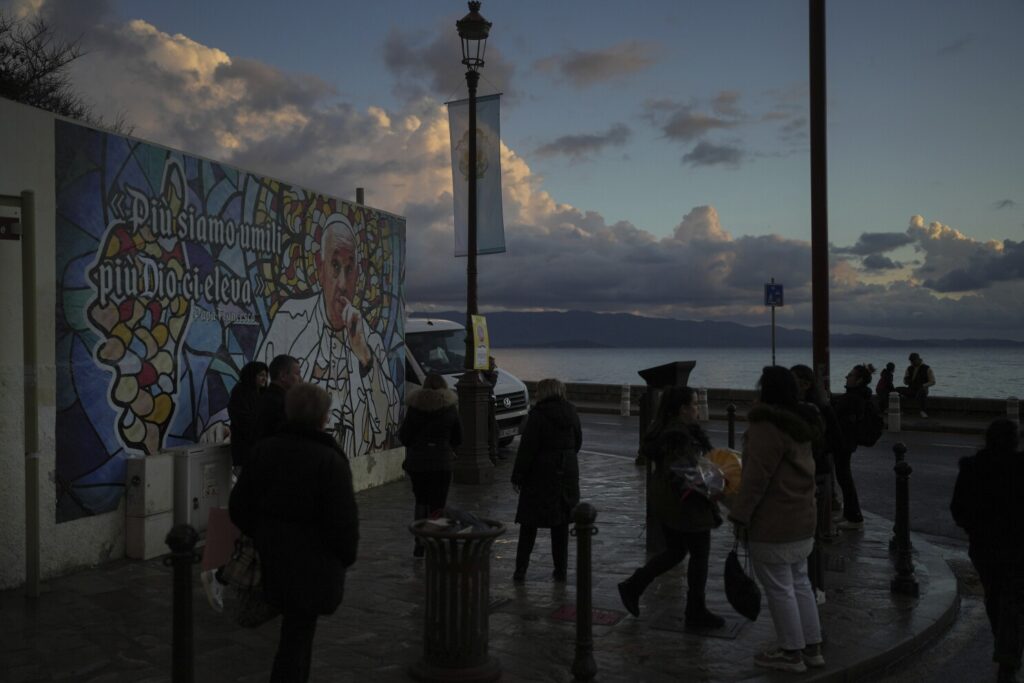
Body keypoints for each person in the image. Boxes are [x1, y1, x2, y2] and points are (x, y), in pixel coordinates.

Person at [229, 382, 359, 683]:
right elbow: (343, 521)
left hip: (273, 557)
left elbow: (239, 505)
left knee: (295, 634)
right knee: (297, 638)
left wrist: (263, 533)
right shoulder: (329, 460)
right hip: (314, 565)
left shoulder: (264, 450)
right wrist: (343, 556)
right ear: (323, 418)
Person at [257, 213, 400, 458]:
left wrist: (364, 357)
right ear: (320, 268)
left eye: (349, 268)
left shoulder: (369, 341)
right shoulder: (290, 321)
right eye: (335, 266)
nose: (343, 283)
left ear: (358, 274)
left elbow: (389, 419)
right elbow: (258, 392)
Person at [729, 366, 824, 673]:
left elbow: (756, 479)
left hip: (774, 521)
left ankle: (791, 652)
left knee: (780, 587)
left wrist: (740, 516)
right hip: (803, 516)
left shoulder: (766, 426)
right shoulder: (801, 423)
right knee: (800, 582)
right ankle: (812, 648)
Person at [617, 386, 725, 628]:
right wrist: (712, 486)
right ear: (682, 409)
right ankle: (695, 611)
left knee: (675, 551)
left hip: (667, 501)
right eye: (694, 405)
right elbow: (683, 474)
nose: (697, 409)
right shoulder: (679, 436)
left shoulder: (666, 431)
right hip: (685, 504)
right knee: (699, 554)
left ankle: (633, 585)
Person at [950, 418, 1024, 683]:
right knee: (1012, 602)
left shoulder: (972, 468)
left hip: (983, 547)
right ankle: (1008, 657)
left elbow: (958, 509)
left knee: (994, 597)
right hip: (1016, 546)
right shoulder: (1019, 468)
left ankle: (1004, 646)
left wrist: (974, 529)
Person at [511, 378, 582, 583]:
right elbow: (578, 441)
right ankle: (560, 570)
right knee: (560, 525)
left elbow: (527, 449)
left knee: (529, 523)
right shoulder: (572, 413)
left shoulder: (538, 415)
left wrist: (518, 476)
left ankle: (520, 570)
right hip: (567, 472)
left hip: (540, 474)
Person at [790, 364, 842, 602]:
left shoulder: (817, 410)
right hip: (814, 473)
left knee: (814, 536)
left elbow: (835, 441)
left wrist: (815, 453)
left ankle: (815, 587)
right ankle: (810, 587)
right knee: (809, 535)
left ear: (805, 384)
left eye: (794, 381)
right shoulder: (808, 408)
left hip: (816, 475)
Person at [399, 372, 462, 557]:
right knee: (438, 505)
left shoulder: (415, 407)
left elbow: (405, 437)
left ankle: (419, 542)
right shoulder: (450, 408)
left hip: (418, 463)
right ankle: (435, 541)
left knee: (421, 500)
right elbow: (459, 437)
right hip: (441, 463)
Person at [830, 364, 874, 531]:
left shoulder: (853, 398)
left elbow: (836, 414)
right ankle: (849, 514)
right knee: (844, 477)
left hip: (843, 442)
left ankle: (854, 517)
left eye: (850, 375)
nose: (846, 377)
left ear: (859, 379)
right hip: (848, 441)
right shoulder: (859, 395)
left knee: (844, 478)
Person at [227, 361, 269, 469]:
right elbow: (242, 420)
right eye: (261, 375)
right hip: (244, 446)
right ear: (251, 376)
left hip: (260, 447)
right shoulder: (240, 393)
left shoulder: (263, 393)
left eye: (265, 375)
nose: (264, 378)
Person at [255, 355, 302, 440]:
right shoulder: (278, 403)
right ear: (283, 376)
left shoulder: (267, 397)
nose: (300, 379)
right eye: (297, 374)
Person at [897, 352, 936, 418]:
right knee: (896, 390)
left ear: (918, 359)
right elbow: (905, 380)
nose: (912, 362)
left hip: (922, 389)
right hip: (911, 389)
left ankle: (922, 411)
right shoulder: (909, 368)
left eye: (913, 360)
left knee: (921, 392)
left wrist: (923, 385)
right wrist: (906, 381)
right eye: (911, 361)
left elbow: (933, 381)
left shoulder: (927, 368)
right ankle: (900, 409)